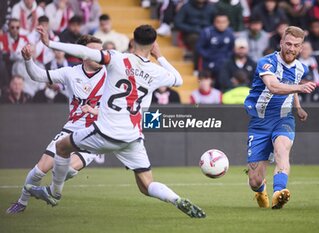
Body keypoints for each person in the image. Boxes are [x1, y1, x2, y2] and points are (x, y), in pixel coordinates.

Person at [25, 24, 206, 218]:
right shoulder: (157, 72)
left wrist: (50, 43)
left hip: (105, 131)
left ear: (133, 40)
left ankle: (54, 192)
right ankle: (176, 199)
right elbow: (178, 79)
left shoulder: (117, 58)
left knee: (62, 146)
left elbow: (84, 51)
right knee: (146, 185)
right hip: (133, 138)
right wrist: (159, 55)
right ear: (153, 44)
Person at [5, 35, 105, 214]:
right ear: (83, 55)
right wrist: (28, 60)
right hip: (72, 129)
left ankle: (51, 193)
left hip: (96, 133)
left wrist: (98, 111)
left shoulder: (111, 74)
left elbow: (123, 106)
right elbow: (38, 75)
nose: (101, 55)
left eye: (101, 51)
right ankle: (22, 202)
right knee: (39, 170)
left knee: (65, 171)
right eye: (95, 52)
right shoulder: (70, 73)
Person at [244, 26, 316, 209]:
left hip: (283, 118)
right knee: (254, 180)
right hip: (259, 123)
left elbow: (292, 86)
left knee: (282, 149)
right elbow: (274, 86)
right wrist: (299, 88)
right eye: (289, 43)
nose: (291, 48)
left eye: (296, 45)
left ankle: (279, 192)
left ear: (301, 48)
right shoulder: (266, 63)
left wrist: (298, 107)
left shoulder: (301, 67)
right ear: (281, 43)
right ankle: (261, 190)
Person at [196, 13, 234, 85]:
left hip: (225, 62)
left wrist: (228, 57)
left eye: (224, 22)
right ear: (214, 22)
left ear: (228, 23)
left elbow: (232, 48)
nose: (221, 24)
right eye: (218, 22)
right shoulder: (207, 32)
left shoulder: (230, 33)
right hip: (209, 62)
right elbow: (199, 47)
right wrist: (207, 55)